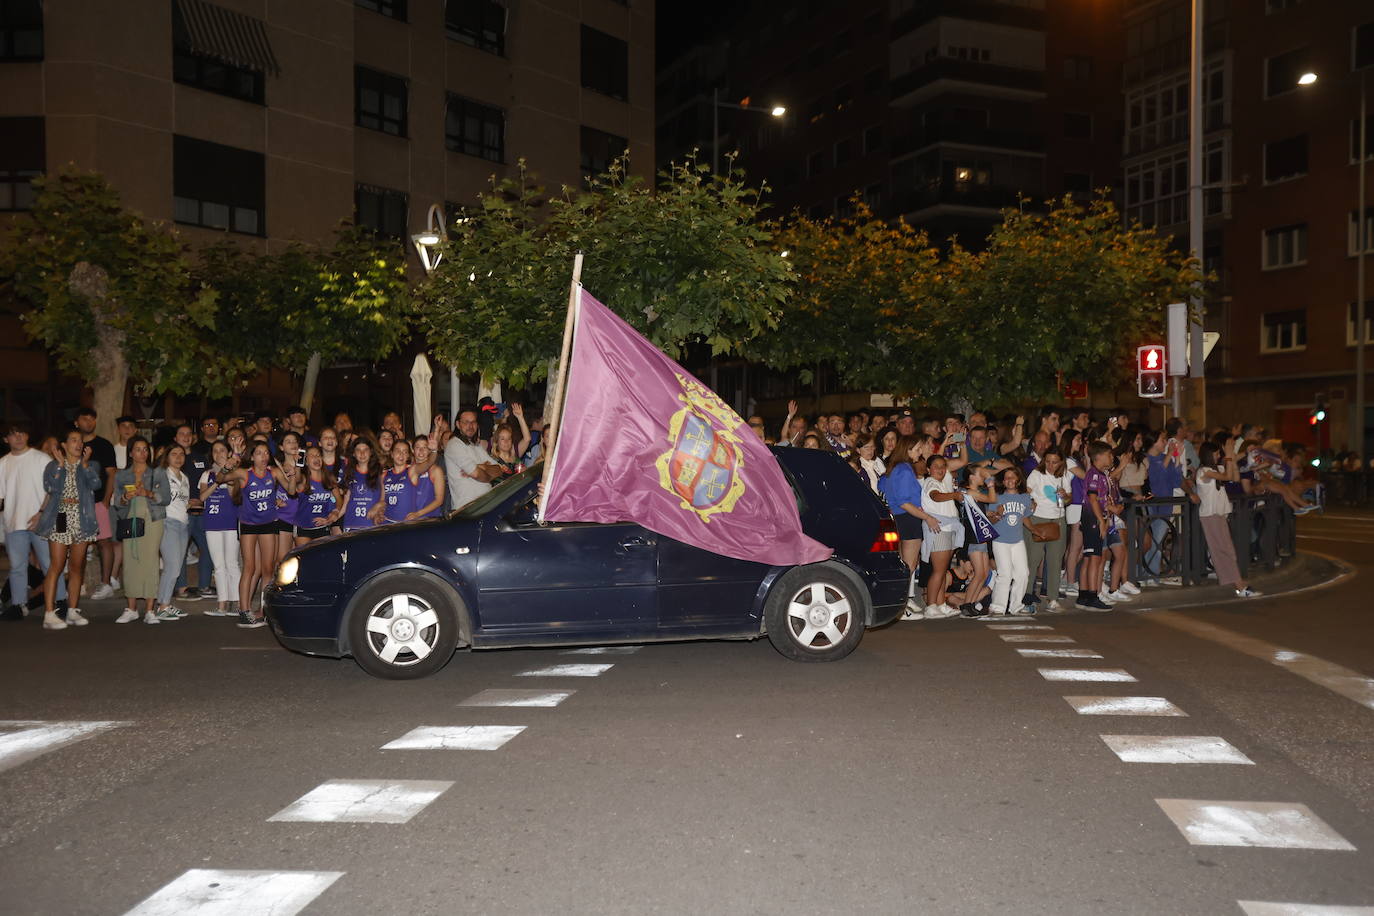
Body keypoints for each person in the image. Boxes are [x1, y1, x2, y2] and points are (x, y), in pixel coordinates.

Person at [217, 441, 293, 628]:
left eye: (266, 452)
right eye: (259, 453)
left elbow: (291, 492)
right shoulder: (245, 474)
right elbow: (219, 479)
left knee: (267, 568)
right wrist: (228, 464)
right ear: (252, 456)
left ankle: (263, 609)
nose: (263, 456)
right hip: (249, 525)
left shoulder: (274, 473)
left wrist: (291, 476)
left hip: (269, 523)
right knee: (249, 567)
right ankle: (244, 611)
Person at [33, 430, 102, 629]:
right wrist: (62, 466)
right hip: (61, 517)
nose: (78, 444)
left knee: (76, 566)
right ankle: (49, 613)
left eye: (80, 441)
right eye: (73, 440)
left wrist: (86, 465)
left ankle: (72, 610)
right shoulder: (53, 465)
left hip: (82, 518)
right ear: (64, 445)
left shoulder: (89, 465)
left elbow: (96, 484)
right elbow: (50, 487)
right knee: (56, 565)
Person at [1, 423, 61, 622]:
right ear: (5, 439)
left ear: (27, 436)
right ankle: (19, 605)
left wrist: (42, 513)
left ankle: (60, 602)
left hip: (40, 521)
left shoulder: (41, 459)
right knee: (17, 566)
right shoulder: (3, 463)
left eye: (22, 433)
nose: (18, 437)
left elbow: (54, 489)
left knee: (50, 564)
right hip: (13, 523)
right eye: (13, 434)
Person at [112, 436, 171, 624]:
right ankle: (131, 608)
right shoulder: (122, 475)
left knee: (150, 561)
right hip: (131, 518)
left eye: (145, 449)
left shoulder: (158, 472)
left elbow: (166, 498)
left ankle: (150, 610)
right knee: (130, 561)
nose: (142, 453)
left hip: (153, 520)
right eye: (138, 449)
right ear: (130, 453)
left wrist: (148, 493)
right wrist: (125, 497)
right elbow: (117, 502)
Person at [1194, 440, 1261, 598]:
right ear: (1209, 454)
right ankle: (1239, 586)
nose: (1219, 455)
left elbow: (1235, 477)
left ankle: (1238, 583)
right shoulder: (1203, 471)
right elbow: (1227, 476)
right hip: (1210, 515)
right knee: (1223, 550)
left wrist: (1231, 455)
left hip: (1218, 514)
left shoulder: (1216, 468)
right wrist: (1230, 457)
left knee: (1227, 549)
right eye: (1216, 453)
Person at [877, 435, 931, 619]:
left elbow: (884, 489)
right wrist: (927, 517)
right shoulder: (904, 470)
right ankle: (902, 607)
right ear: (907, 451)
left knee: (905, 563)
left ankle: (903, 602)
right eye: (917, 449)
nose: (920, 452)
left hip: (900, 519)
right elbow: (904, 502)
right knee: (908, 565)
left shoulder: (894, 470)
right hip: (908, 518)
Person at [75, 407, 119, 600]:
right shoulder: (71, 445)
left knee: (104, 542)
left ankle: (107, 583)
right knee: (78, 545)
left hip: (98, 501)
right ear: (77, 423)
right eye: (84, 419)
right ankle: (79, 583)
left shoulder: (104, 445)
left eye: (92, 419)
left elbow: (111, 474)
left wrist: (106, 501)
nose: (89, 422)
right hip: (75, 503)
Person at [920, 449, 968, 620]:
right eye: (936, 467)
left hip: (947, 529)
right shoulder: (931, 482)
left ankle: (940, 604)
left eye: (942, 467)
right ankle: (931, 605)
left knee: (942, 570)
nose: (940, 470)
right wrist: (954, 495)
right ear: (928, 469)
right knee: (938, 571)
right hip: (938, 530)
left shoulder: (943, 481)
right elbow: (936, 497)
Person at [1025, 448, 1072, 612]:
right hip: (1038, 519)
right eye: (1048, 461)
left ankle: (1052, 598)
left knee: (1055, 561)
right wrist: (1030, 502)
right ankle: (1026, 596)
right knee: (1033, 559)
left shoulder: (1063, 475)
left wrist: (1065, 495)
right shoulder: (1036, 474)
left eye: (1055, 462)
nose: (1051, 465)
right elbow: (1026, 492)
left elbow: (1068, 499)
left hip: (1058, 520)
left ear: (1061, 462)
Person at [200, 439, 241, 617]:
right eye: (215, 451)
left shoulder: (236, 474)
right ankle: (222, 604)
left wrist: (227, 473)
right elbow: (202, 498)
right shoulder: (206, 475)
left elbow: (234, 496)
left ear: (229, 453)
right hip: (212, 524)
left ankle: (239, 602)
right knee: (218, 565)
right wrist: (217, 481)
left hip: (231, 523)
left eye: (222, 450)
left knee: (232, 563)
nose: (219, 454)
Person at [154, 444, 194, 621]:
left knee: (176, 567)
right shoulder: (162, 474)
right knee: (171, 566)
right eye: (174, 454)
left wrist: (191, 504)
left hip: (183, 523)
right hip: (168, 522)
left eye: (181, 454)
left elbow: (183, 502)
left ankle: (166, 603)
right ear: (167, 456)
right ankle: (162, 606)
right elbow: (154, 497)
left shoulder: (184, 477)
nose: (178, 457)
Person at [988, 466, 1033, 617]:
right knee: (1005, 574)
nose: (1009, 480)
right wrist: (997, 515)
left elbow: (1025, 516)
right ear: (1003, 481)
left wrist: (1034, 525)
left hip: (1017, 540)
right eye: (1006, 478)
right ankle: (997, 607)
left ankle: (1016, 606)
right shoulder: (997, 497)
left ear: (1019, 480)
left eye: (1013, 477)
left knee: (1023, 573)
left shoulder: (1025, 497)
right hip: (1000, 540)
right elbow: (990, 522)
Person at [1076, 442, 1115, 611]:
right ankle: (1092, 596)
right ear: (1098, 457)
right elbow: (1092, 499)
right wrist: (1101, 521)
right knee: (1095, 557)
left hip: (1093, 516)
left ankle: (1083, 595)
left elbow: (1100, 499)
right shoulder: (1094, 475)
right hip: (1092, 518)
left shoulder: (1101, 474)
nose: (1112, 457)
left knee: (1088, 556)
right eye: (1109, 454)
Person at [444, 409, 500, 512]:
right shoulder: (454, 445)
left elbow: (498, 470)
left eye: (473, 422)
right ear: (458, 424)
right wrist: (486, 474)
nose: (470, 426)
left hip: (484, 507)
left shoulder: (476, 446)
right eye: (466, 422)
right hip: (467, 510)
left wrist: (481, 467)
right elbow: (476, 474)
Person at [295, 445, 341, 544]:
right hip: (303, 526)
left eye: (318, 455)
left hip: (322, 525)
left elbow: (338, 498)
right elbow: (297, 479)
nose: (316, 458)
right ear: (306, 461)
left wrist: (335, 512)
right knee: (305, 558)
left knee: (323, 557)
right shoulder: (303, 479)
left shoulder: (329, 478)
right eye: (312, 456)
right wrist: (298, 464)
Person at [340, 438, 385, 532]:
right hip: (351, 524)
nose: (362, 453)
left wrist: (377, 507)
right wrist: (334, 517)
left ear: (371, 452)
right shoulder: (349, 472)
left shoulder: (380, 472)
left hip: (372, 524)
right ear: (353, 454)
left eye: (365, 450)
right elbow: (346, 501)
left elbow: (384, 499)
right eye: (358, 450)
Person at [275, 431, 305, 558]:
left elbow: (299, 485)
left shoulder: (306, 465)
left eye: (295, 441)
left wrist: (298, 466)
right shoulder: (276, 467)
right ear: (281, 447)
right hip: (283, 517)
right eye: (288, 441)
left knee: (298, 560)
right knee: (282, 559)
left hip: (302, 518)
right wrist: (273, 501)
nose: (293, 444)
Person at [409, 435, 447, 519]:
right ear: (412, 450)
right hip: (410, 519)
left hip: (430, 520)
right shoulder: (408, 470)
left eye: (425, 447)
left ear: (429, 450)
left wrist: (418, 514)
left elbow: (439, 500)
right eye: (418, 447)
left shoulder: (436, 471)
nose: (421, 450)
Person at [382, 439, 418, 523]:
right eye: (398, 451)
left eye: (405, 452)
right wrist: (379, 512)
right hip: (387, 522)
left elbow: (428, 463)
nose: (401, 454)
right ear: (392, 454)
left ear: (408, 455)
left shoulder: (413, 470)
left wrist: (434, 451)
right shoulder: (384, 474)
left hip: (407, 523)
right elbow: (381, 500)